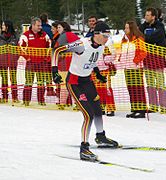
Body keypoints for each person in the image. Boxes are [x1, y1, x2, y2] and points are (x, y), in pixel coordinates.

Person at [52, 21, 119, 161]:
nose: (107, 38)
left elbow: (92, 60)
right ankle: (84, 149)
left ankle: (100, 136)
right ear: (97, 34)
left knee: (97, 109)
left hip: (87, 80)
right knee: (88, 115)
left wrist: (98, 73)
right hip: (74, 82)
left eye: (108, 35)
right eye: (105, 35)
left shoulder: (100, 46)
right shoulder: (81, 44)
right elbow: (57, 50)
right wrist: (54, 71)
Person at [139, 7, 166, 114]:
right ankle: (153, 106)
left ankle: (163, 106)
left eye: (148, 15)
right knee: (150, 83)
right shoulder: (143, 26)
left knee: (160, 83)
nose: (146, 17)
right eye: (145, 15)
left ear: (153, 17)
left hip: (158, 58)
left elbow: (154, 38)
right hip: (147, 58)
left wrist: (146, 38)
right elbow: (139, 36)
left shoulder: (160, 26)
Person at [19, 17, 51, 106]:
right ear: (33, 25)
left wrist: (46, 57)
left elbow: (49, 46)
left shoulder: (44, 35)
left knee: (41, 82)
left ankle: (41, 100)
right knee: (29, 82)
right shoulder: (25, 35)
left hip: (41, 63)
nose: (40, 27)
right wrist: (27, 57)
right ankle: (26, 101)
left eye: (40, 25)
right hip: (30, 63)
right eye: (38, 25)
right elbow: (20, 47)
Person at [119, 21, 147, 118]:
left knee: (138, 88)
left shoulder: (138, 39)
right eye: (125, 28)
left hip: (136, 68)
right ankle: (134, 108)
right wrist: (121, 59)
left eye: (127, 28)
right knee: (131, 88)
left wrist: (135, 61)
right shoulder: (124, 40)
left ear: (132, 29)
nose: (125, 30)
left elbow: (143, 52)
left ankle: (141, 110)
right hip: (127, 68)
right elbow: (123, 51)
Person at [54, 21, 79, 109]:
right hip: (67, 63)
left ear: (64, 28)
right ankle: (67, 103)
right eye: (57, 28)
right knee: (69, 85)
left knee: (66, 84)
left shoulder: (65, 36)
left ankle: (65, 103)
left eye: (59, 27)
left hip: (67, 63)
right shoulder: (65, 36)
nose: (58, 29)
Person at [0, 20, 19, 103]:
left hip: (12, 61)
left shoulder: (15, 37)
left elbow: (18, 48)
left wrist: (16, 57)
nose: (2, 27)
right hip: (2, 62)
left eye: (3, 25)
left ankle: (15, 97)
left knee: (14, 79)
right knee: (4, 79)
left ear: (8, 26)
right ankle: (5, 96)